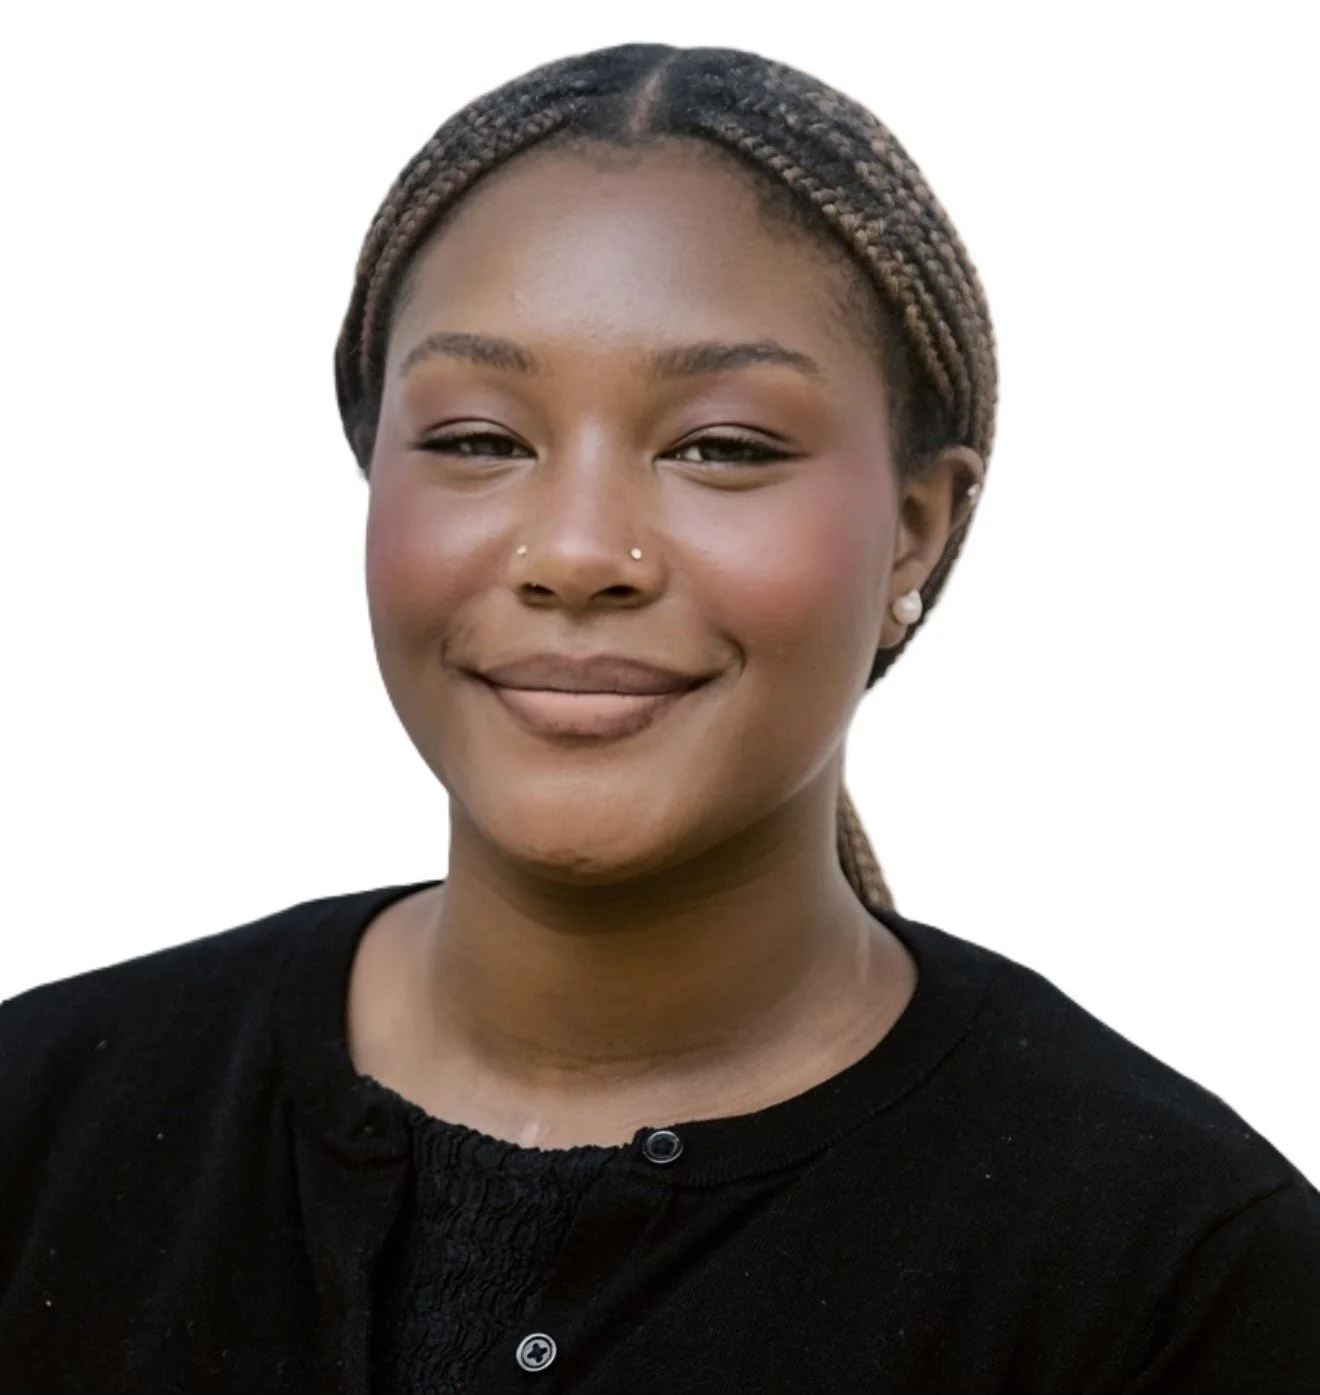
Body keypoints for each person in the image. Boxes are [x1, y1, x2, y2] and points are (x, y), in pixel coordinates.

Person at [1, 40, 1316, 1395]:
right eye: (478, 440)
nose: (578, 552)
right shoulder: (42, 1120)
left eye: (721, 447)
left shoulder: (1177, 1280)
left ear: (916, 528)